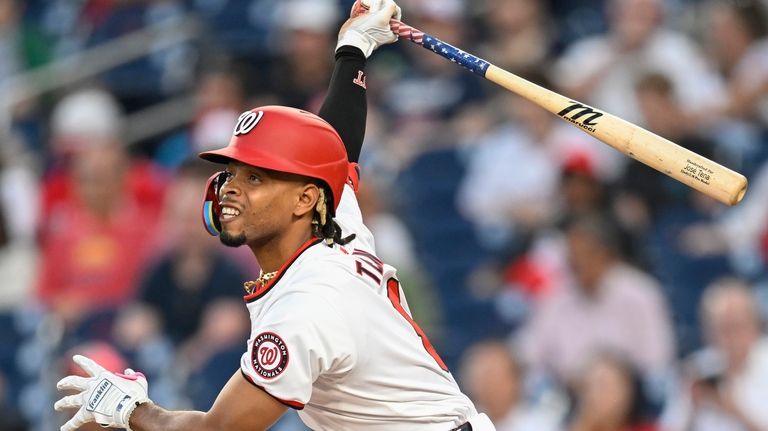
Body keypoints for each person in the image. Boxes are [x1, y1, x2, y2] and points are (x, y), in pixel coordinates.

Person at [53, 1, 495, 430]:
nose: (230, 189)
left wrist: (132, 410)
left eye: (256, 179)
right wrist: (354, 47)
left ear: (303, 200)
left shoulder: (307, 306)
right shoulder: (331, 223)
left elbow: (219, 430)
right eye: (232, 173)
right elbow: (338, 144)